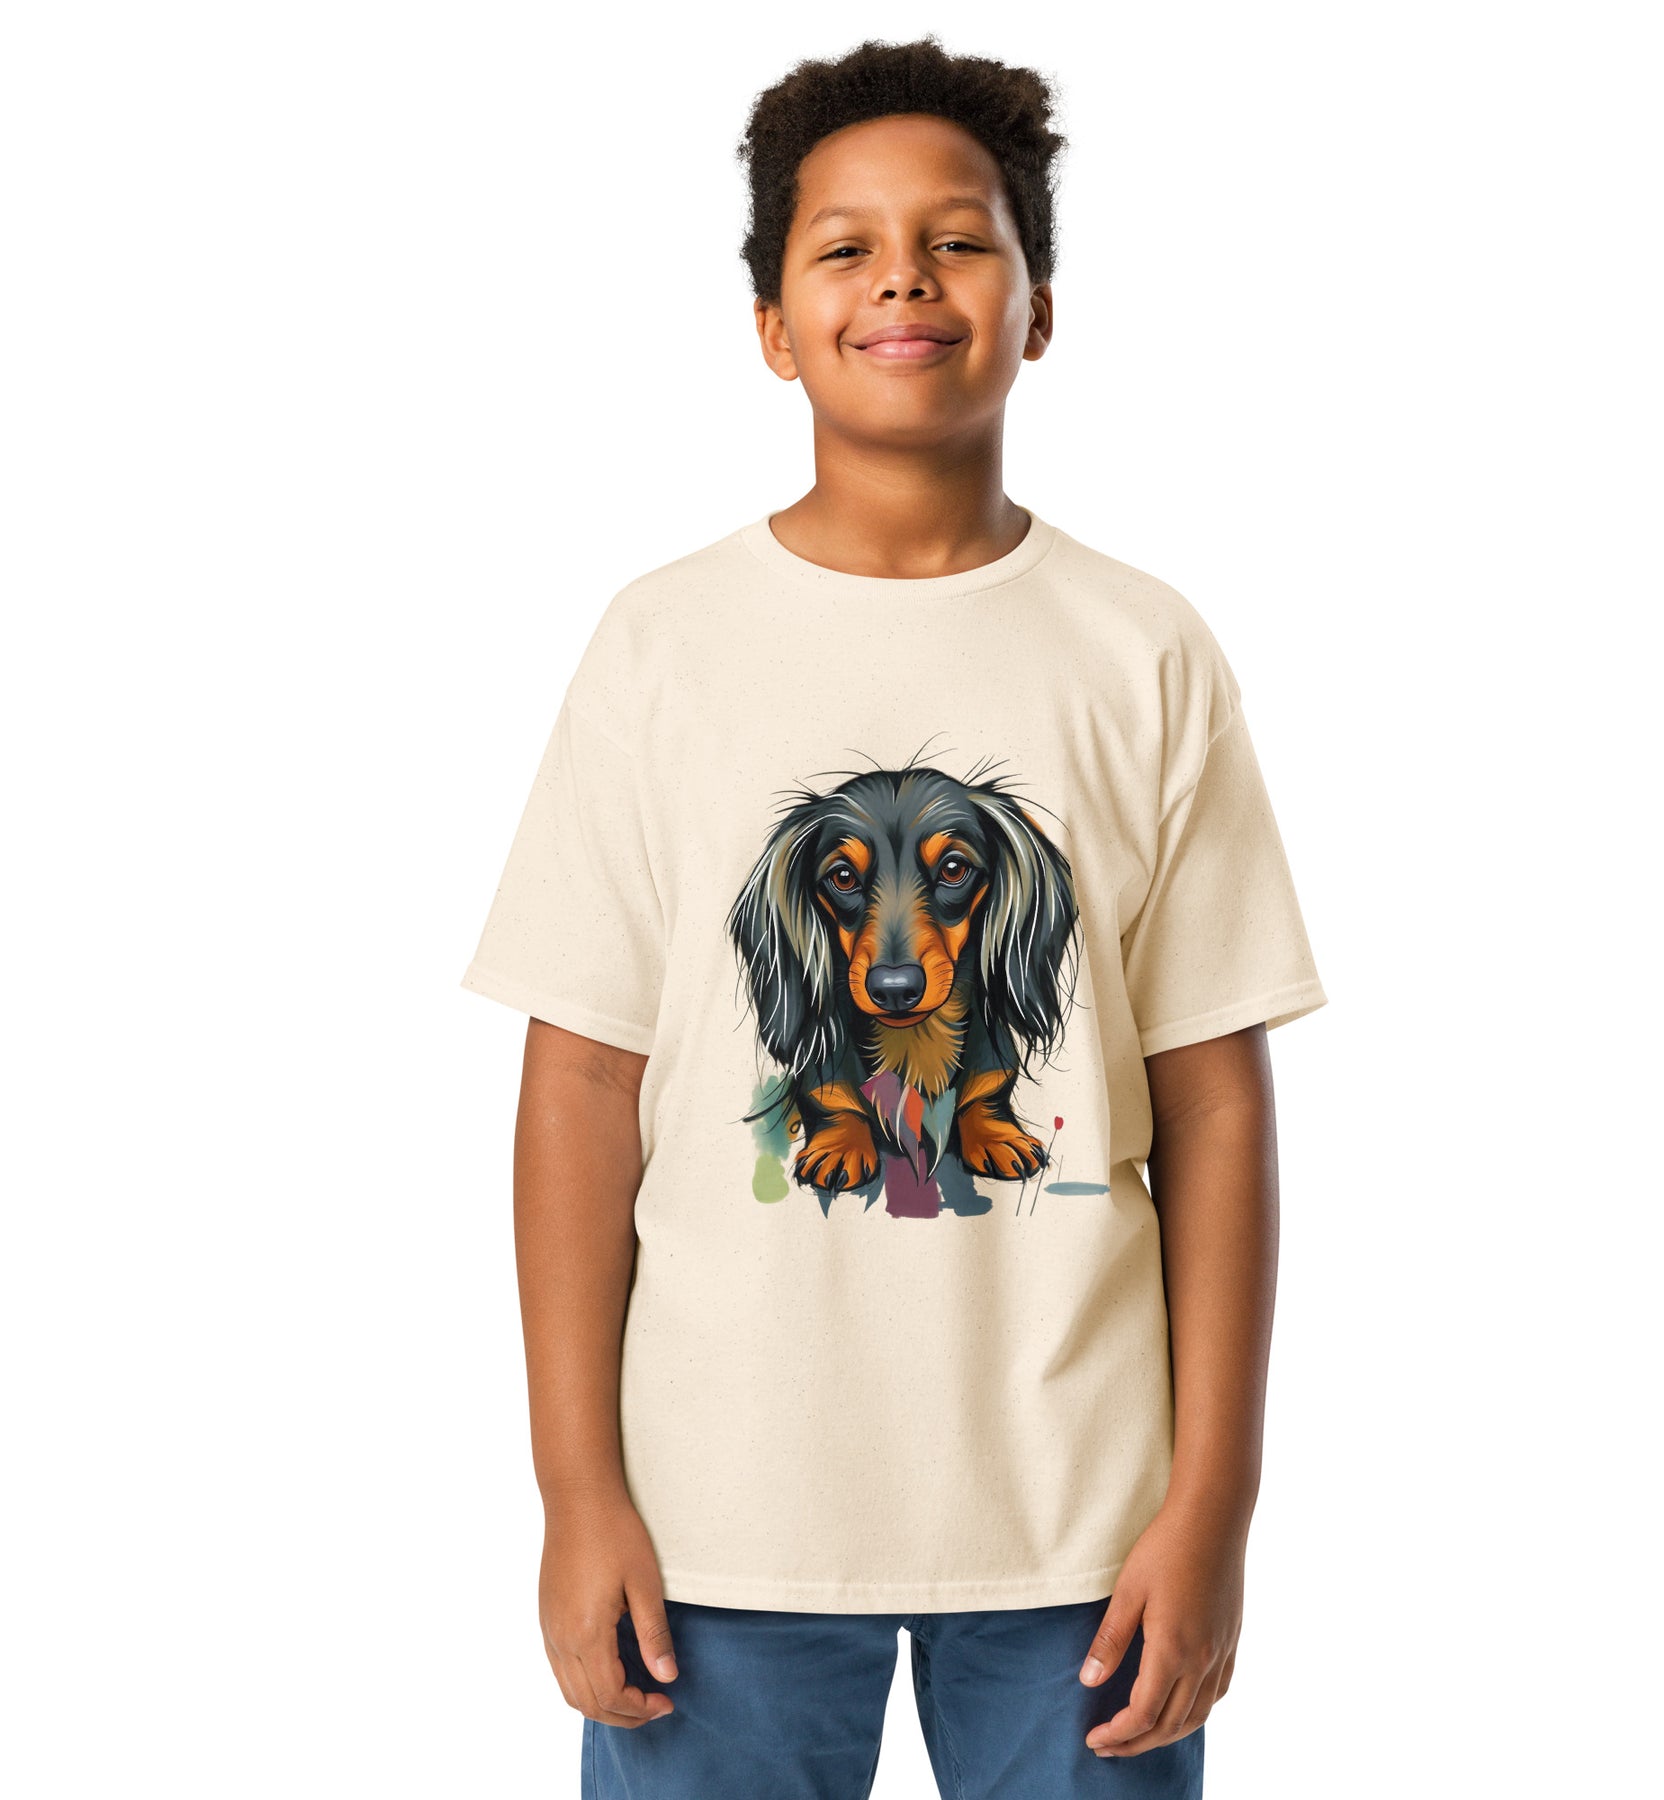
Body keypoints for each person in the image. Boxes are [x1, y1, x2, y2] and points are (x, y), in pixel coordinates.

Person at [462, 35, 1327, 1800]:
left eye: (957, 240)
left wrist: (1214, 1506)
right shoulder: (664, 644)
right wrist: (576, 1492)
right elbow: (582, 1081)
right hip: (716, 1518)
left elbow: (1217, 1105)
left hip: (1085, 1520)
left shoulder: (1143, 651)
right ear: (774, 326)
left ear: (1039, 308)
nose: (905, 281)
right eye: (845, 247)